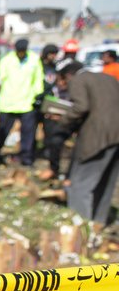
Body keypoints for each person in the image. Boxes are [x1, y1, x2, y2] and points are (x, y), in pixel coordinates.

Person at [55, 60, 119, 225]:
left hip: (97, 136)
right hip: (116, 135)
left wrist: (62, 120)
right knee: (104, 184)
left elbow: (81, 107)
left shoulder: (78, 79)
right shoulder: (109, 78)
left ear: (68, 76)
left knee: (80, 186)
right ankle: (98, 223)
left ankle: (81, 227)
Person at [0, 39, 44, 167]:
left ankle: (26, 159)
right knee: (2, 132)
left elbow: (38, 80)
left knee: (28, 134)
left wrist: (37, 95)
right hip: (8, 104)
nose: (21, 53)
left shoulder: (34, 59)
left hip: (27, 103)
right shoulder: (7, 60)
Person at [38, 44, 69, 180]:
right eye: (51, 53)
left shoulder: (55, 67)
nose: (53, 56)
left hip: (50, 103)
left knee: (50, 131)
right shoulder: (38, 66)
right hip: (37, 101)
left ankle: (48, 152)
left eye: (55, 54)